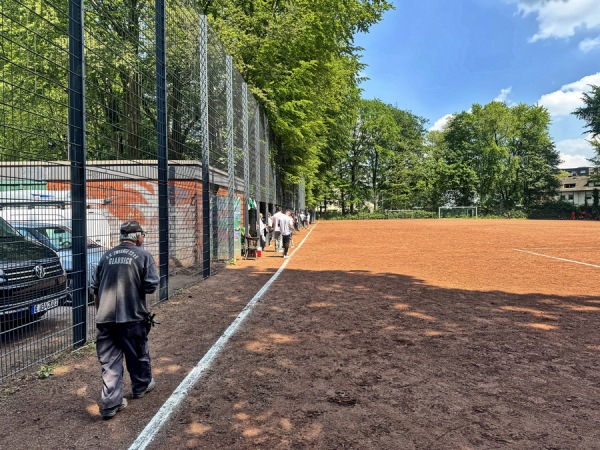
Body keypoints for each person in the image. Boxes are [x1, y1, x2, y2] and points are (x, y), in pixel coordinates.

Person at [91, 220, 160, 420]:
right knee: (137, 353)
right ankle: (141, 386)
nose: (143, 238)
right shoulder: (143, 256)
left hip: (105, 318)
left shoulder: (105, 256)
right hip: (132, 317)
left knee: (109, 362)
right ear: (138, 236)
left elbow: (95, 290)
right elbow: (150, 286)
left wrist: (100, 313)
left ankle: (110, 404)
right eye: (143, 235)